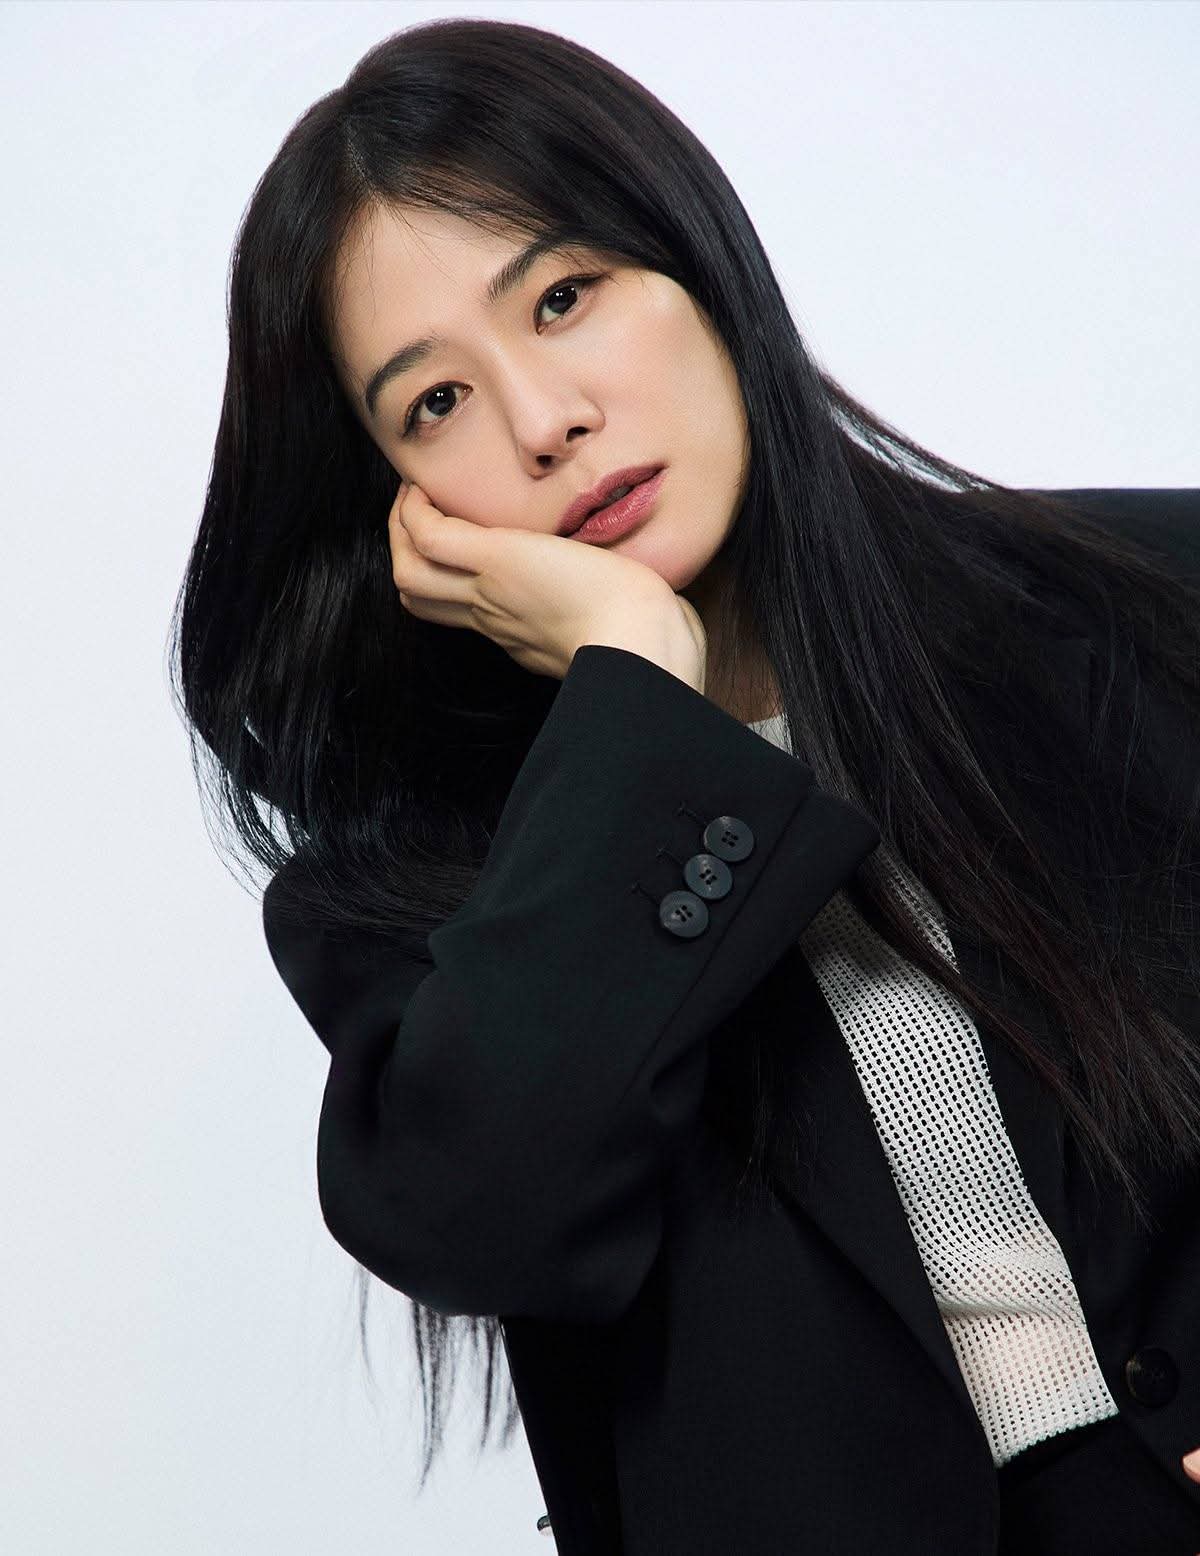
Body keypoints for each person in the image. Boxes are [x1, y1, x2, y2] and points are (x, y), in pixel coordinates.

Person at [168, 17, 1200, 1554]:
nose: (544, 422)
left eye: (564, 297)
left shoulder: (1146, 604)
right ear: (396, 505)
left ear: (697, 259)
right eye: (433, 403)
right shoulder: (410, 901)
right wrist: (640, 694)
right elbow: (480, 1219)